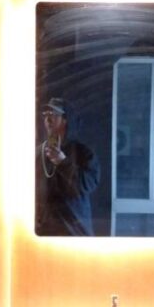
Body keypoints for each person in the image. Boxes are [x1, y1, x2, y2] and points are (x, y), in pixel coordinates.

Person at [36, 97, 100, 236]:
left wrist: (62, 162)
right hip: (43, 233)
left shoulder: (83, 153)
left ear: (65, 119)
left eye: (53, 114)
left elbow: (85, 185)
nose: (48, 119)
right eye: (46, 114)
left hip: (74, 232)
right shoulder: (38, 153)